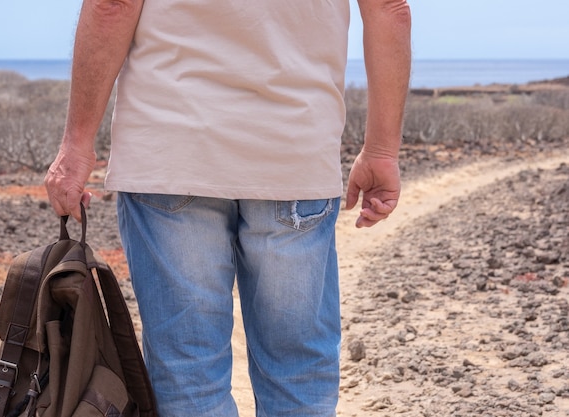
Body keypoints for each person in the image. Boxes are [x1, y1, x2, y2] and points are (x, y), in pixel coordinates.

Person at [45, 0, 411, 415]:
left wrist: (76, 145)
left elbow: (114, 4)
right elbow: (388, 8)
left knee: (188, 372)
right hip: (293, 154)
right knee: (298, 369)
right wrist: (381, 150)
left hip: (172, 154)